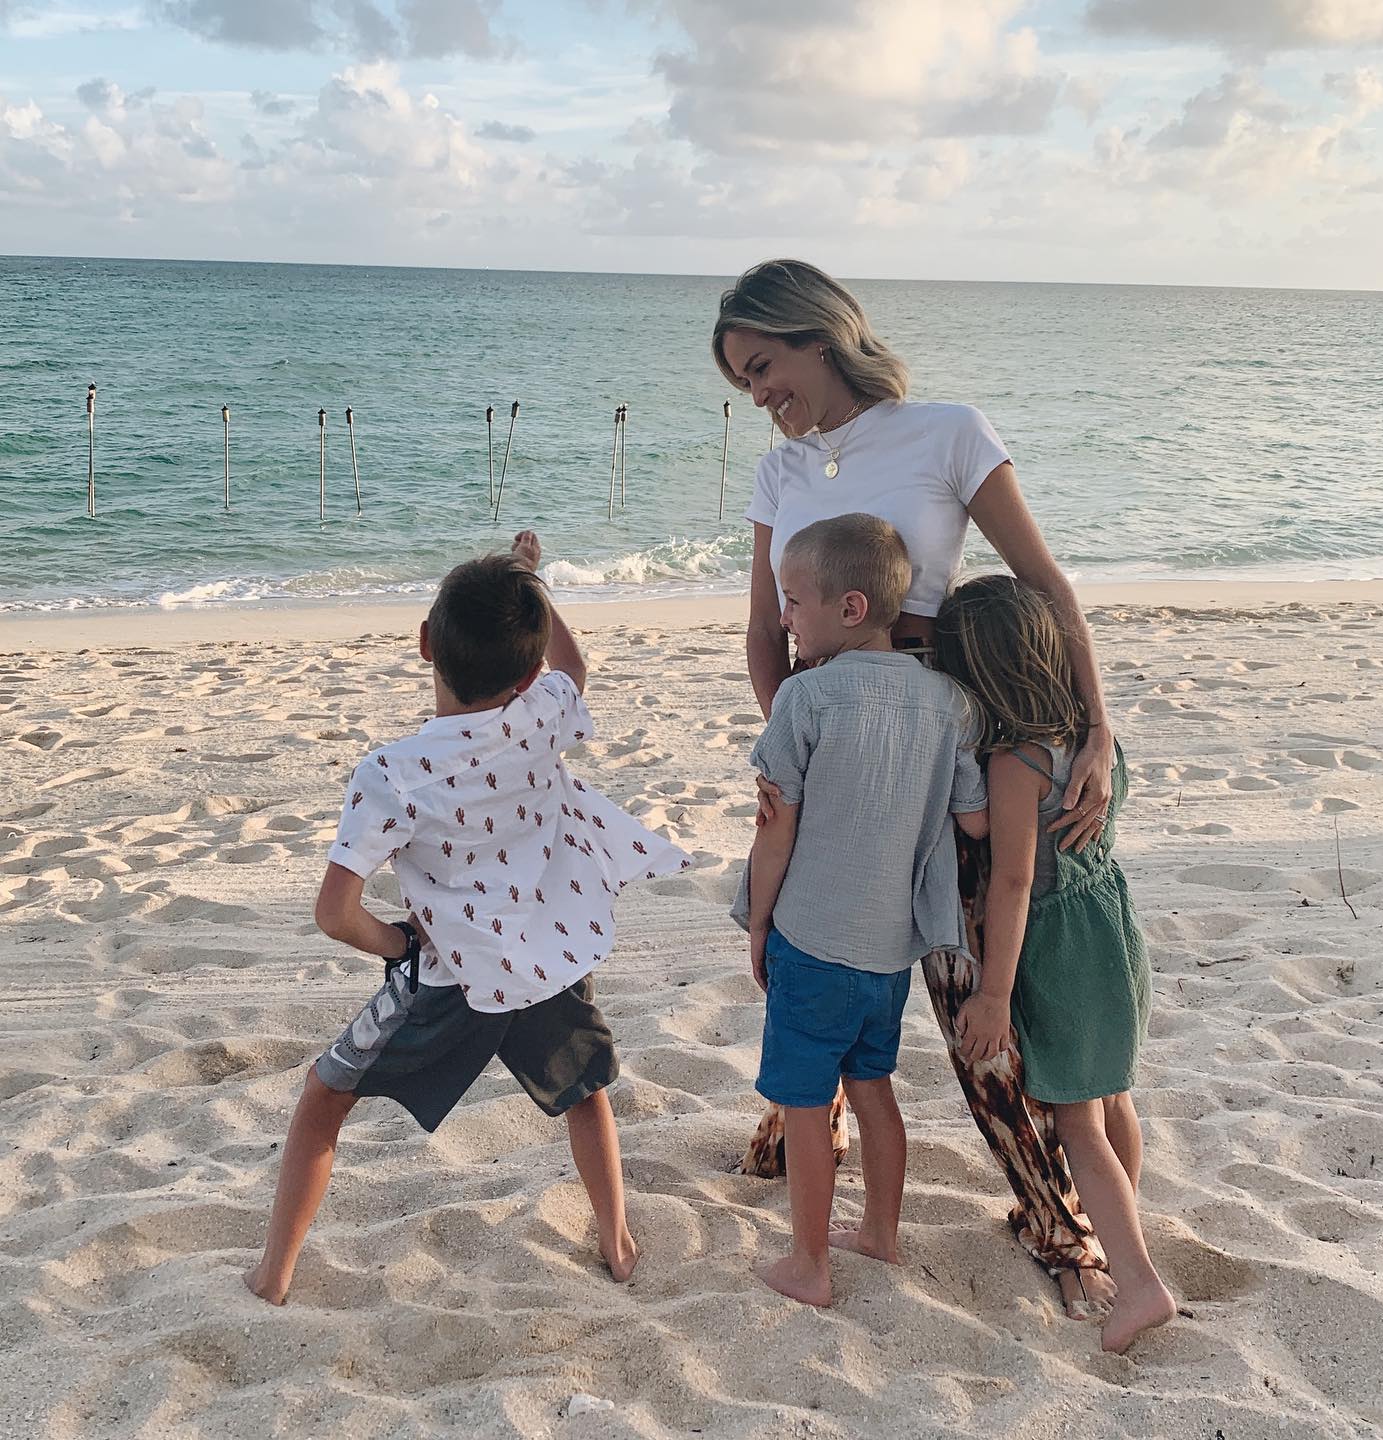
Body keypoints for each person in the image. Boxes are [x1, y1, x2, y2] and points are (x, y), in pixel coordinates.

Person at [714, 258, 1114, 1314]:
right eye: (741, 382)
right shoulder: (780, 474)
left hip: (948, 746)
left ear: (819, 336)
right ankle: (800, 1132)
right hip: (833, 759)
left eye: (763, 367)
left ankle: (1059, 1227)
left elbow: (1044, 586)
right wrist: (802, 753)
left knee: (969, 993)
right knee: (812, 947)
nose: (757, 395)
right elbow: (765, 634)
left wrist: (1098, 732)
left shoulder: (948, 431)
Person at [244, 531, 689, 1305]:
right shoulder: (542, 715)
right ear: (531, 669)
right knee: (584, 1090)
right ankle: (616, 1241)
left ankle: (274, 1274)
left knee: (323, 1101)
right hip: (545, 961)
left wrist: (397, 944)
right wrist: (532, 582)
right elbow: (576, 672)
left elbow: (333, 912)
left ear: (424, 644)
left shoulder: (393, 771)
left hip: (448, 975)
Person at [733, 514, 989, 1307]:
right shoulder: (949, 705)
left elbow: (776, 836)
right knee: (874, 1093)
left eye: (793, 603)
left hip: (813, 941)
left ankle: (809, 1263)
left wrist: (761, 921)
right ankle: (881, 1232)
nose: (783, 619)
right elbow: (975, 818)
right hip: (889, 954)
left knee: (807, 1108)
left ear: (847, 608)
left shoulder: (805, 699)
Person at [934, 573, 1172, 1353]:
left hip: (1061, 953)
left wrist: (995, 991)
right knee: (1112, 1100)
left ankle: (1138, 1286)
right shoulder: (1096, 740)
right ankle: (1121, 1230)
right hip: (1116, 937)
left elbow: (1010, 878)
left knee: (1075, 1122)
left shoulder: (1016, 762)